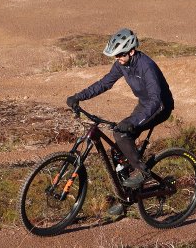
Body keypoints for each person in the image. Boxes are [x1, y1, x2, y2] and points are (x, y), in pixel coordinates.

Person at [66, 29, 173, 216]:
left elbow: (156, 100)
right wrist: (78, 97)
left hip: (159, 107)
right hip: (145, 104)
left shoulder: (146, 66)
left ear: (131, 51)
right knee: (118, 152)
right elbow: (104, 83)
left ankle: (142, 172)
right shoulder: (122, 64)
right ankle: (126, 200)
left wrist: (134, 122)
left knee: (121, 133)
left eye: (119, 55)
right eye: (115, 56)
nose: (117, 58)